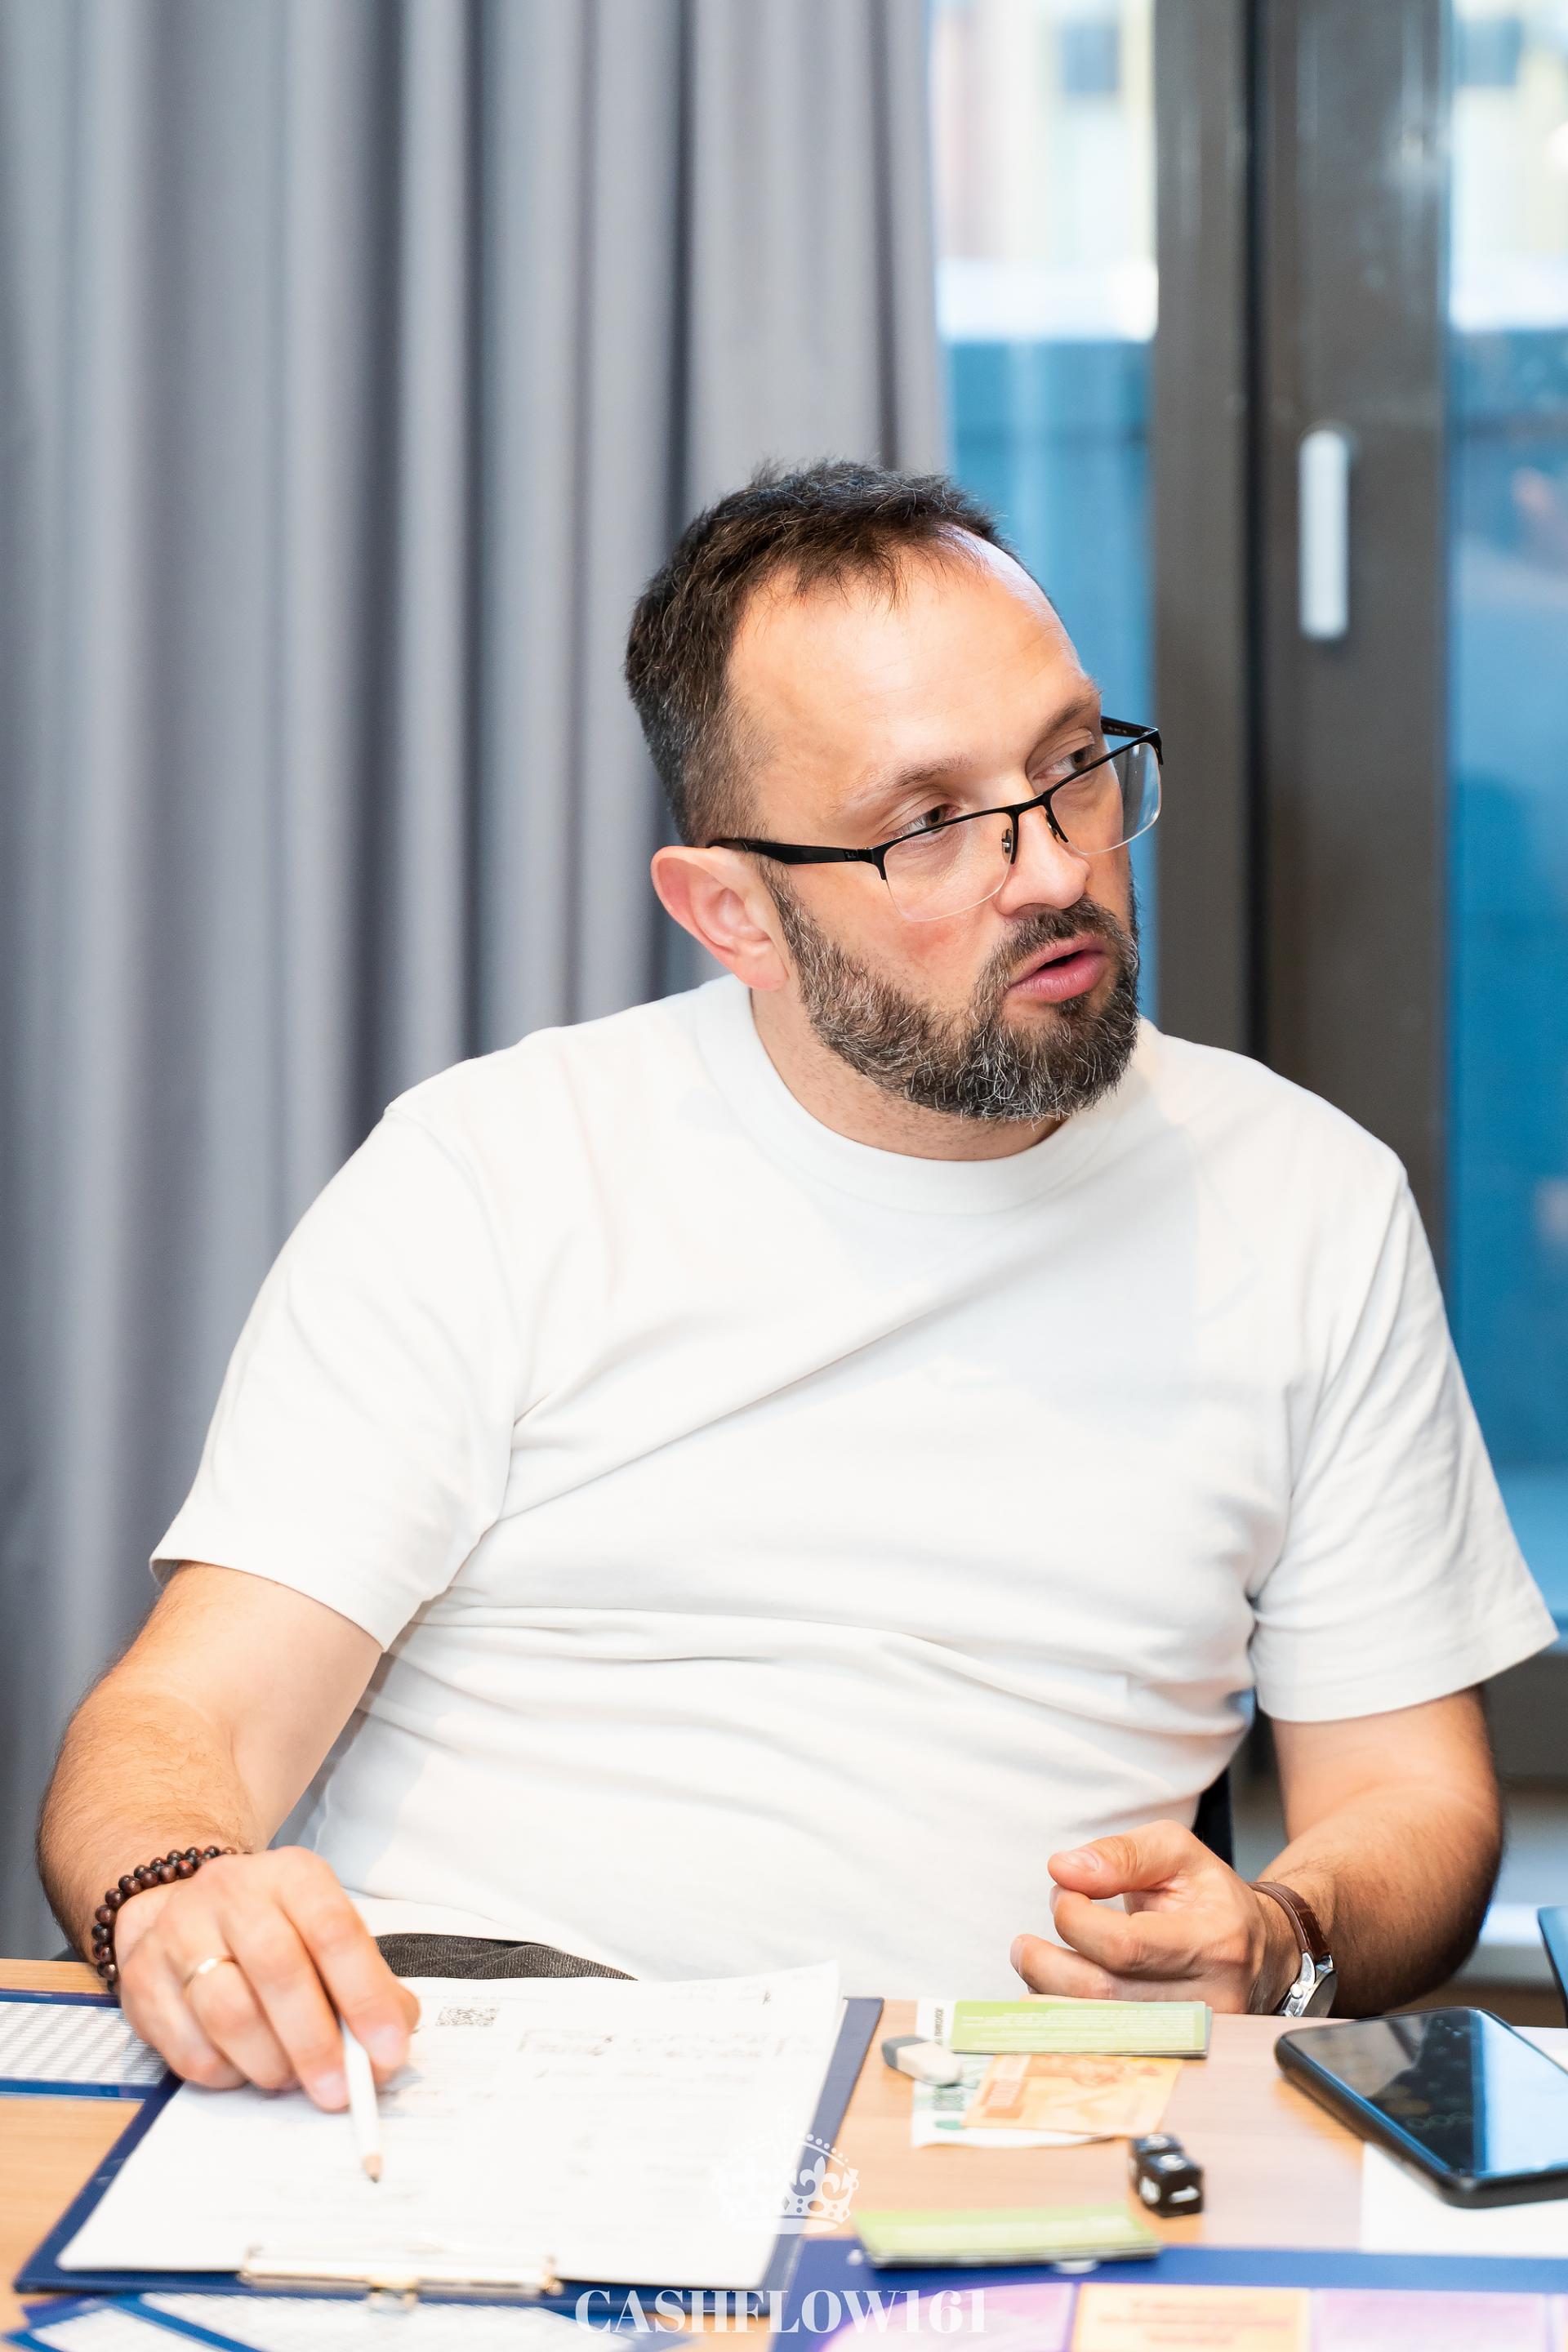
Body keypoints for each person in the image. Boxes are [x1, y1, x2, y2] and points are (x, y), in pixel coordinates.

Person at [39, 462, 1552, 2115]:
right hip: (468, 2053)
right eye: (929, 827)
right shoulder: (495, 1169)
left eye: (1072, 769)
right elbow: (184, 1717)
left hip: (989, 2099)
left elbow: (1411, 1797)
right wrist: (179, 1892)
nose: (1054, 871)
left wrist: (1281, 1935)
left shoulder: (1304, 1198)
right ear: (734, 915)